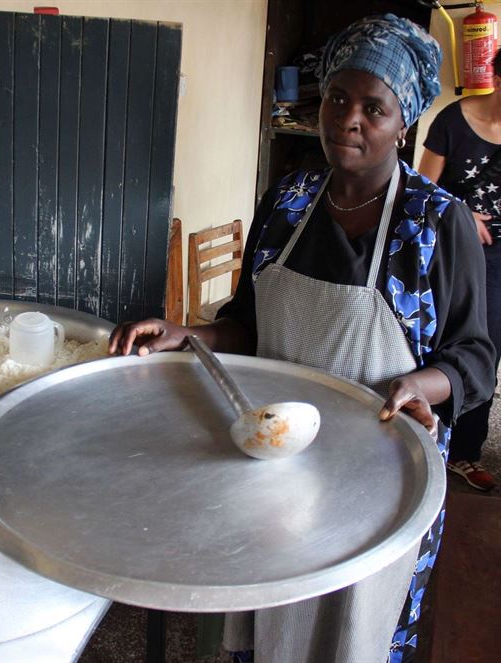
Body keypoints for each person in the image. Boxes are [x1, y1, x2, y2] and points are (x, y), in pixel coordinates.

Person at [109, 14, 495, 663]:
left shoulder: (436, 222)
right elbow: (250, 325)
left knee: (353, 630)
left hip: (380, 472)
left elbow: (475, 357)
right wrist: (188, 334)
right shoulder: (288, 201)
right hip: (278, 465)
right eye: (338, 98)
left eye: (374, 108)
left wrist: (419, 384)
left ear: (403, 124)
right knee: (270, 614)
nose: (349, 119)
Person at [417, 48, 501, 492]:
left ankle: (465, 453)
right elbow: (420, 190)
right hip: (451, 253)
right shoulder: (453, 121)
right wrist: (462, 215)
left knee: (487, 352)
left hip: (499, 261)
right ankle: (423, 433)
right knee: (441, 344)